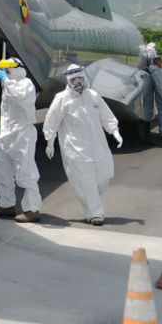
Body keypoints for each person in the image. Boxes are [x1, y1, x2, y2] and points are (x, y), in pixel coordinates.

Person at [42, 64, 123, 226]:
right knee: (87, 182)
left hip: (98, 145)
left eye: (80, 78)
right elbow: (52, 121)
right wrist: (50, 141)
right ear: (68, 80)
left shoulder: (93, 95)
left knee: (105, 175)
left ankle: (91, 197)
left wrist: (114, 131)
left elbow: (106, 116)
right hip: (75, 148)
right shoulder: (62, 99)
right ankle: (95, 213)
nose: (78, 82)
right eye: (74, 79)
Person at [0, 57, 42, 222]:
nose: (5, 73)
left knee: (26, 172)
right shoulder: (7, 87)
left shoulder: (26, 84)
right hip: (7, 135)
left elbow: (19, 95)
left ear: (17, 69)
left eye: (7, 70)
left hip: (22, 134)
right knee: (2, 172)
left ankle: (32, 209)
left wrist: (5, 80)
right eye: (4, 71)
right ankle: (7, 206)